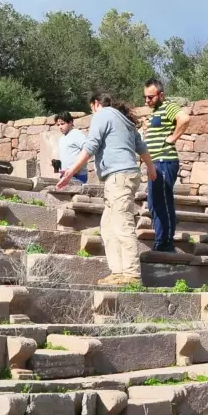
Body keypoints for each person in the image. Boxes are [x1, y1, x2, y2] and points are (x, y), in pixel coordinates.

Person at [57, 93, 155, 287]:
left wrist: (71, 171)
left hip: (119, 176)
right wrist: (151, 169)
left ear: (95, 104)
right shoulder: (124, 119)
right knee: (108, 225)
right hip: (120, 177)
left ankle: (132, 275)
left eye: (91, 108)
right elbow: (141, 146)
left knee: (122, 224)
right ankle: (118, 272)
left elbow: (91, 145)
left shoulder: (103, 115)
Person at [142, 78, 190, 252]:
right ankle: (161, 240)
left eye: (150, 97)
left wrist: (172, 138)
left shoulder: (168, 106)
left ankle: (165, 242)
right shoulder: (155, 111)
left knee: (162, 201)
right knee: (154, 203)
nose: (147, 101)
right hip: (155, 163)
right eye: (145, 97)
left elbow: (184, 119)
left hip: (164, 161)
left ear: (161, 95)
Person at [50, 112, 88, 186]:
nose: (60, 127)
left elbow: (88, 149)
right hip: (65, 176)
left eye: (62, 124)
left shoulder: (77, 134)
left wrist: (76, 168)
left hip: (77, 176)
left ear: (70, 122)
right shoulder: (62, 139)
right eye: (58, 125)